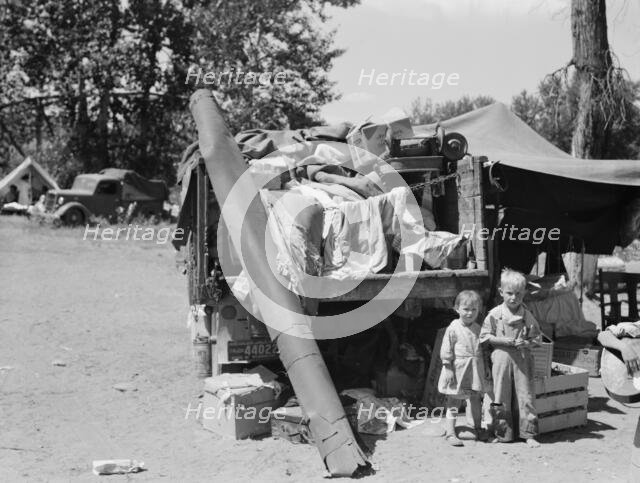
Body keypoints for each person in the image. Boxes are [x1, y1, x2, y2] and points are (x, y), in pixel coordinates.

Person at [480, 268, 542, 447]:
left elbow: (537, 337)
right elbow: (484, 337)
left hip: (522, 360)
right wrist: (501, 340)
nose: (513, 298)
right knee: (500, 396)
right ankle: (503, 432)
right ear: (501, 292)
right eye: (509, 293)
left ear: (524, 294)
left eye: (518, 294)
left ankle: (528, 433)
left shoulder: (526, 314)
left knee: (525, 395)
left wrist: (526, 343)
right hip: (501, 361)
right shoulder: (495, 314)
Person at [438, 289, 491, 446]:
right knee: (454, 400)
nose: (470, 313)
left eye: (474, 309)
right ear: (457, 309)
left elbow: (483, 349)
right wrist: (448, 367)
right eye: (466, 309)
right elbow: (446, 349)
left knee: (475, 399)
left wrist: (486, 366)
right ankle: (450, 432)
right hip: (458, 370)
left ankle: (478, 428)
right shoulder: (453, 328)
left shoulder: (478, 328)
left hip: (475, 369)